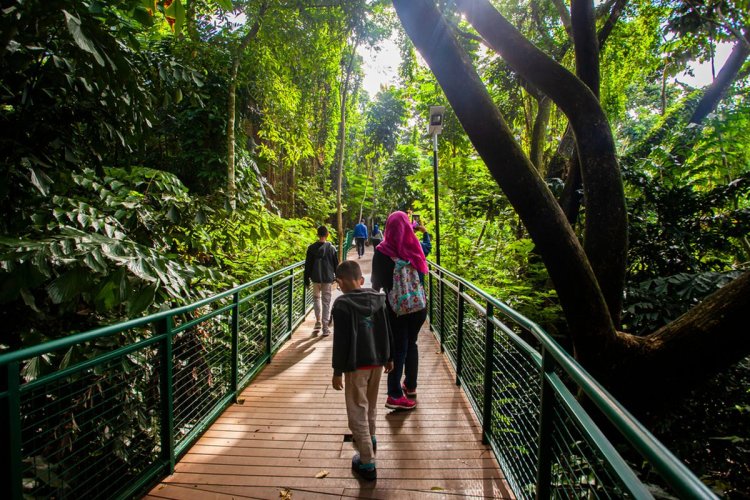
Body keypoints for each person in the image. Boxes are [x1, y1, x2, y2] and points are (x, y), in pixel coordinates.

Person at [331, 260, 394, 481]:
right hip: (378, 361)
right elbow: (387, 329)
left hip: (356, 365)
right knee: (371, 403)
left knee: (357, 409)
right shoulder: (379, 299)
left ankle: (367, 462)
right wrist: (389, 357)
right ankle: (371, 438)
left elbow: (341, 342)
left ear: (339, 283)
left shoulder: (341, 305)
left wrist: (337, 371)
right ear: (360, 280)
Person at [370, 211, 428, 410]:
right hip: (418, 306)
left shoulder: (381, 251)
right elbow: (421, 275)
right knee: (412, 344)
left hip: (395, 308)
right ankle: (410, 386)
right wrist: (424, 232)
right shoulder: (415, 247)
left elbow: (376, 283)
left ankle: (394, 395)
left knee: (399, 348)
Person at [304, 225, 338, 336]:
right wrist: (337, 278)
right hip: (327, 279)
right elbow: (336, 265)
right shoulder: (331, 248)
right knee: (326, 302)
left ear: (317, 234)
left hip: (315, 278)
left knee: (316, 299)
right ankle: (325, 327)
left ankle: (318, 321)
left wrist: (306, 279)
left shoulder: (311, 248)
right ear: (327, 234)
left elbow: (308, 265)